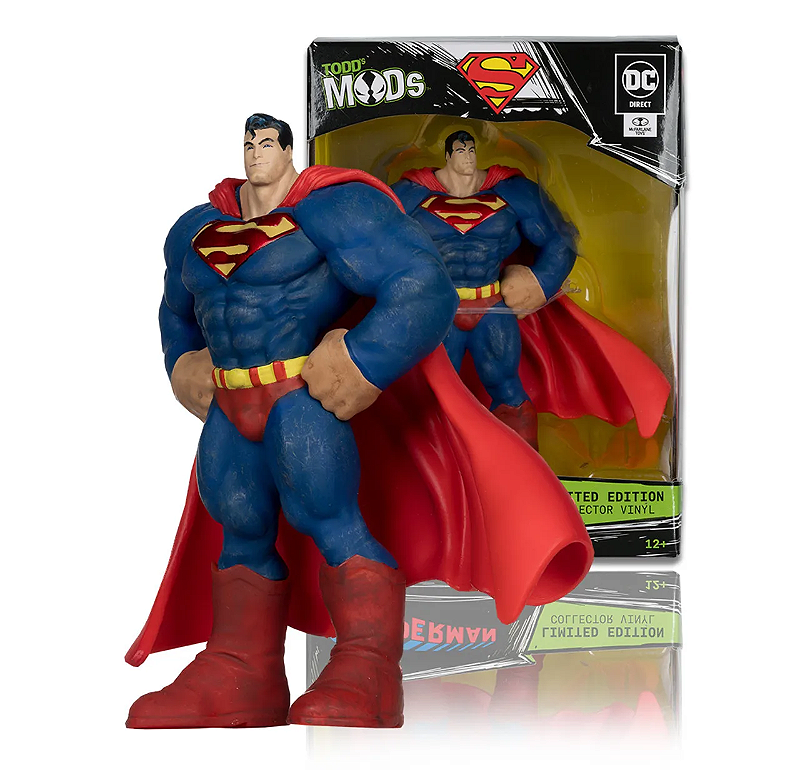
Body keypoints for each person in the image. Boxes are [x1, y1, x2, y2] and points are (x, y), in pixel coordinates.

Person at [126, 115, 592, 730]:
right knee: (238, 520)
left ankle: (368, 667)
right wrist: (181, 361)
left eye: (266, 143)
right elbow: (175, 309)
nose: (255, 153)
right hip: (230, 402)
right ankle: (241, 670)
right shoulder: (195, 227)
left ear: (288, 149)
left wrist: (365, 360)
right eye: (248, 143)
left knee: (329, 515)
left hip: (301, 393)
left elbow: (422, 283)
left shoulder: (333, 208)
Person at [392, 131, 670, 450]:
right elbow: (370, 242)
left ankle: (522, 465)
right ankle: (438, 470)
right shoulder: (410, 194)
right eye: (460, 151)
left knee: (507, 388)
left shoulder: (511, 190)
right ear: (448, 155)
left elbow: (560, 238)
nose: (468, 156)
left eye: (471, 149)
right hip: (438, 310)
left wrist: (539, 281)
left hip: (491, 306)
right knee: (430, 396)